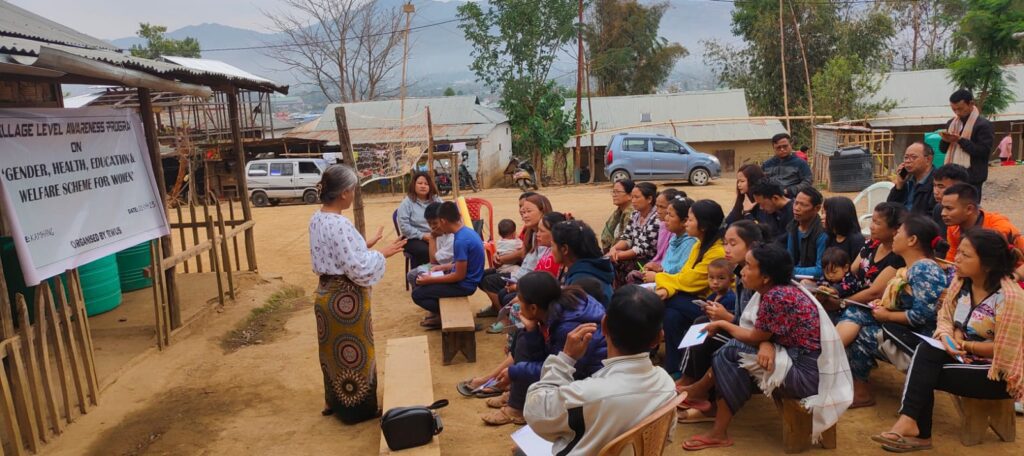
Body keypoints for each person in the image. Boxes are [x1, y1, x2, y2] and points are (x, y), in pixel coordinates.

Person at [682, 244, 851, 450]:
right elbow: (763, 333)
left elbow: (755, 335)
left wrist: (723, 324)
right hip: (798, 360)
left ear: (766, 277)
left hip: (807, 375)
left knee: (730, 352)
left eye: (749, 266)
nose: (742, 271)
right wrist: (765, 343)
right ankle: (709, 412)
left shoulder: (776, 296)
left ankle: (704, 403)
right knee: (731, 353)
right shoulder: (777, 290)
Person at [871, 229, 1024, 452]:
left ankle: (916, 430)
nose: (956, 258)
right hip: (959, 357)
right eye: (958, 252)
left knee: (923, 369)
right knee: (919, 347)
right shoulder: (962, 283)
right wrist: (948, 336)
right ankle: (911, 424)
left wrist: (964, 345)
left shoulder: (1010, 298)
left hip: (995, 374)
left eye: (965, 255)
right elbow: (945, 318)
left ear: (988, 264)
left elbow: (1006, 352)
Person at [524, 285, 677, 456]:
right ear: (658, 338)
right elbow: (666, 437)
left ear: (604, 325)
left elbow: (536, 412)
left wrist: (564, 359)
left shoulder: (587, 393)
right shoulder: (667, 384)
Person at [308, 165, 407, 424]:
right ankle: (358, 409)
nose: (353, 195)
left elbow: (338, 254)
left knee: (331, 354)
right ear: (344, 193)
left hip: (325, 296)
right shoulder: (340, 223)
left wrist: (367, 244)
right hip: (346, 301)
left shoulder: (317, 219)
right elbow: (357, 267)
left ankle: (334, 401)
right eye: (352, 190)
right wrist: (382, 253)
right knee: (356, 353)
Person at [835, 215, 948, 408]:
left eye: (899, 233)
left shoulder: (924, 269)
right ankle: (827, 359)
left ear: (912, 240)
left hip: (921, 339)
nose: (894, 236)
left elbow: (921, 316)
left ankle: (831, 367)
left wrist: (887, 315)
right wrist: (885, 305)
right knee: (857, 312)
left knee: (861, 333)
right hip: (902, 329)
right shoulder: (911, 267)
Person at [480, 272, 608, 426]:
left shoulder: (567, 327)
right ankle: (517, 399)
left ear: (534, 308)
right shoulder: (558, 307)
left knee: (522, 357)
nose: (517, 305)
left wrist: (515, 371)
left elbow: (559, 366)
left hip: (587, 379)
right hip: (573, 368)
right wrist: (532, 332)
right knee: (525, 333)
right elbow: (551, 358)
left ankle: (517, 406)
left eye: (519, 300)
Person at [676, 221, 767, 423]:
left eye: (733, 243)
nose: (726, 248)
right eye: (725, 242)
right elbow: (744, 317)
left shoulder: (758, 275)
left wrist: (726, 318)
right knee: (701, 321)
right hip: (747, 332)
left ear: (751, 245)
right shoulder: (741, 271)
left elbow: (756, 324)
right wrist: (726, 317)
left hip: (757, 340)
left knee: (707, 332)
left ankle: (707, 399)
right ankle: (691, 380)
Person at [649, 200, 726, 376]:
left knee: (665, 303)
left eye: (690, 220)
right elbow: (684, 276)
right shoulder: (700, 244)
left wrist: (660, 280)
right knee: (671, 316)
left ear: (704, 226)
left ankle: (652, 354)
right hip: (694, 300)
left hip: (716, 307)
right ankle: (675, 370)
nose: (686, 223)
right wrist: (666, 288)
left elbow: (689, 281)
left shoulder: (717, 251)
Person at [412, 201, 486, 329]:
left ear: (443, 221)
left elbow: (459, 276)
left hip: (464, 285)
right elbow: (460, 265)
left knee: (417, 294)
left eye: (438, 223)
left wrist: (431, 279)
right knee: (421, 283)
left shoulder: (460, 240)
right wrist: (443, 267)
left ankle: (450, 316)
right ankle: (442, 314)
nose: (437, 227)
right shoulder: (466, 232)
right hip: (467, 280)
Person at [478, 194, 554, 316]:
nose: (523, 214)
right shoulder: (532, 232)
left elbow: (533, 263)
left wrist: (518, 284)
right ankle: (502, 312)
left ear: (542, 210)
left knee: (494, 285)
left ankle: (504, 315)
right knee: (485, 277)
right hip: (524, 274)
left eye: (528, 211)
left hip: (531, 279)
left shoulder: (544, 236)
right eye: (522, 210)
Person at [941, 183, 1024, 272]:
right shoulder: (953, 228)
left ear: (969, 209)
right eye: (943, 208)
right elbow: (951, 258)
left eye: (949, 208)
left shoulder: (998, 228)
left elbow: (994, 266)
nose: (943, 213)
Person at [939, 89, 995, 200]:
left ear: (971, 104)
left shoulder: (983, 125)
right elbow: (943, 150)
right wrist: (946, 139)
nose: (957, 112)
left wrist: (960, 140)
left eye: (960, 108)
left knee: (970, 210)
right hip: (952, 176)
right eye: (954, 109)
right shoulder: (951, 123)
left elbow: (983, 152)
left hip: (972, 178)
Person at [607, 182, 660, 286]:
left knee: (613, 263)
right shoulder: (635, 214)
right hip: (633, 256)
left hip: (647, 260)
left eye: (636, 197)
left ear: (649, 199)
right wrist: (614, 249)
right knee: (609, 261)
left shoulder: (656, 219)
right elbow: (626, 237)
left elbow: (641, 249)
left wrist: (617, 255)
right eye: (632, 197)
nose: (633, 200)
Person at [552, 220, 614, 307]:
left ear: (564, 249)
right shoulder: (589, 269)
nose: (551, 250)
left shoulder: (581, 282)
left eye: (552, 245)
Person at [639, 197, 697, 281]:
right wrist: (658, 269)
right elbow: (666, 268)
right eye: (667, 214)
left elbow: (680, 276)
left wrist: (657, 276)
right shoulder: (674, 238)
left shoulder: (691, 243)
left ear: (684, 221)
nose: (666, 218)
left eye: (671, 215)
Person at [397, 171, 442, 268]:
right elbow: (404, 227)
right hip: (413, 238)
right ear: (414, 185)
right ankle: (420, 278)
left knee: (453, 246)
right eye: (420, 183)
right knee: (424, 251)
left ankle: (443, 275)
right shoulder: (406, 203)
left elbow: (445, 215)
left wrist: (435, 235)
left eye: (426, 184)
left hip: (436, 235)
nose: (423, 186)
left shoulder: (436, 199)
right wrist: (422, 236)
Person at [405, 202, 454, 289]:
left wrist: (432, 238)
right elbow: (433, 262)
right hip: (438, 266)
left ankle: (429, 292)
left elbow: (434, 262)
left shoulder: (451, 238)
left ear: (444, 220)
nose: (432, 227)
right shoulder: (440, 233)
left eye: (435, 223)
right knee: (411, 275)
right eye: (429, 223)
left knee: (419, 275)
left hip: (448, 269)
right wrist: (433, 237)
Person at [786, 187, 828, 279]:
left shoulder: (822, 233)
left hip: (812, 280)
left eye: (803, 205)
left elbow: (820, 269)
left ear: (816, 208)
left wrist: (790, 270)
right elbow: (789, 257)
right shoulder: (793, 225)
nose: (796, 208)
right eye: (796, 203)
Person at [887, 142, 935, 216]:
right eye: (906, 157)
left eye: (913, 157)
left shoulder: (937, 183)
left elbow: (931, 215)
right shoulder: (908, 180)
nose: (908, 161)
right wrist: (899, 185)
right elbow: (890, 208)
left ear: (928, 160)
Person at [929, 164, 970, 251]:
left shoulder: (972, 214)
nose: (935, 192)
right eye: (934, 185)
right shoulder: (938, 208)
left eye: (941, 186)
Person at [762, 133, 812, 198]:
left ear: (790, 145)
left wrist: (789, 191)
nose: (782, 149)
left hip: (792, 200)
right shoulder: (766, 164)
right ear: (773, 148)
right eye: (778, 147)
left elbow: (807, 182)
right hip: (771, 200)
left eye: (785, 146)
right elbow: (761, 181)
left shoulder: (800, 163)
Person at [649, 188, 687, 267]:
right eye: (657, 206)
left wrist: (659, 272)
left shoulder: (680, 234)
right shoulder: (664, 226)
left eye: (662, 207)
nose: (658, 211)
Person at [822, 196, 866, 261]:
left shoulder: (856, 241)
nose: (822, 217)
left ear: (839, 215)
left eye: (826, 213)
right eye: (822, 213)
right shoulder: (829, 237)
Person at [601, 179, 635, 252]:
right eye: (613, 191)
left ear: (630, 195)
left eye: (618, 192)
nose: (614, 195)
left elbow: (627, 241)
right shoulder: (619, 212)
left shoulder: (631, 214)